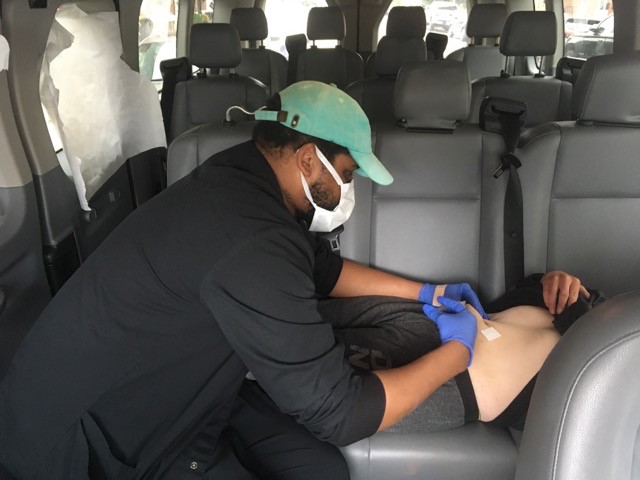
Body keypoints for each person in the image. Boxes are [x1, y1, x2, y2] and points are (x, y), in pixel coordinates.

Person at [0, 81, 496, 480]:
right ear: (307, 159)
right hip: (99, 440)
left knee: (320, 470)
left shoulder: (243, 182)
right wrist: (458, 352)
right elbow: (341, 414)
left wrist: (426, 292)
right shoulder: (250, 236)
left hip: (186, 394)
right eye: (346, 173)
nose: (349, 189)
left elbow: (322, 270)